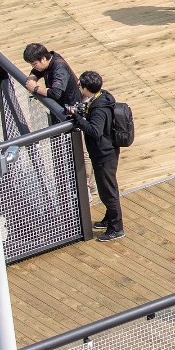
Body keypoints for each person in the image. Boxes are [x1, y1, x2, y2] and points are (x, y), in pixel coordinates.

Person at [68, 71, 123, 241]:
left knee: (108, 191)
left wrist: (77, 118)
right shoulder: (101, 97)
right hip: (106, 152)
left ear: (86, 89)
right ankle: (109, 219)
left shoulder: (99, 108)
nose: (79, 88)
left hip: (104, 154)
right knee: (105, 189)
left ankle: (117, 228)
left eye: (80, 86)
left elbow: (95, 131)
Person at [23, 42, 81, 124]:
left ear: (43, 59)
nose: (33, 67)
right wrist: (31, 80)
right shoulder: (48, 60)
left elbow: (56, 93)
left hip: (70, 111)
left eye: (34, 64)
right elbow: (35, 72)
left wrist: (35, 88)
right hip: (57, 107)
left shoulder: (60, 69)